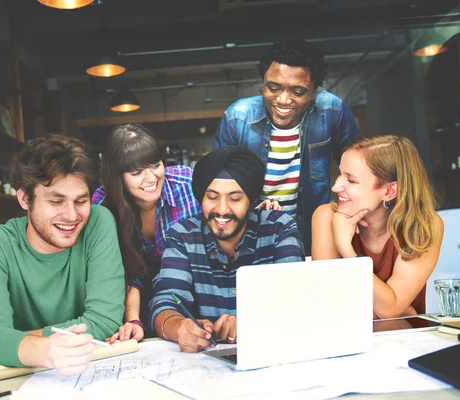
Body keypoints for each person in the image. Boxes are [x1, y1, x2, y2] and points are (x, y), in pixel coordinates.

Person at [0, 134, 125, 375]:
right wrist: (45, 351)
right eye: (56, 201)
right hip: (20, 378)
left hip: (88, 371)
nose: (72, 216)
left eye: (81, 201)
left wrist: (11, 340)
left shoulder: (98, 221)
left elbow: (104, 320)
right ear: (24, 198)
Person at [150, 146, 305, 353]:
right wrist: (179, 328)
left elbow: (297, 302)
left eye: (235, 199)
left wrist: (251, 324)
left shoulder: (279, 229)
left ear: (251, 200)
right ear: (201, 198)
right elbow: (165, 301)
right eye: (212, 197)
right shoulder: (183, 236)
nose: (222, 210)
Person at [214, 39, 360, 255]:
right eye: (273, 88)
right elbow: (220, 184)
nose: (283, 100)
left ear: (314, 91)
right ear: (262, 82)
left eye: (298, 92)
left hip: (314, 231)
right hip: (253, 233)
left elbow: (357, 171)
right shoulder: (237, 118)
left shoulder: (333, 111)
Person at [311, 134, 444, 318]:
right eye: (340, 174)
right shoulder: (326, 216)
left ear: (389, 191)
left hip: (406, 337)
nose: (336, 187)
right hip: (347, 335)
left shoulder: (424, 225)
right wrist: (392, 307)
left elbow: (390, 311)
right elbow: (325, 302)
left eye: (351, 180)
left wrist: (346, 250)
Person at [92, 124, 201, 343]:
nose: (151, 178)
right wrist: (132, 321)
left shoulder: (188, 184)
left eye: (155, 165)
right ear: (118, 177)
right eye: (136, 172)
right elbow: (119, 269)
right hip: (132, 306)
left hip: (191, 299)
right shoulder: (102, 205)